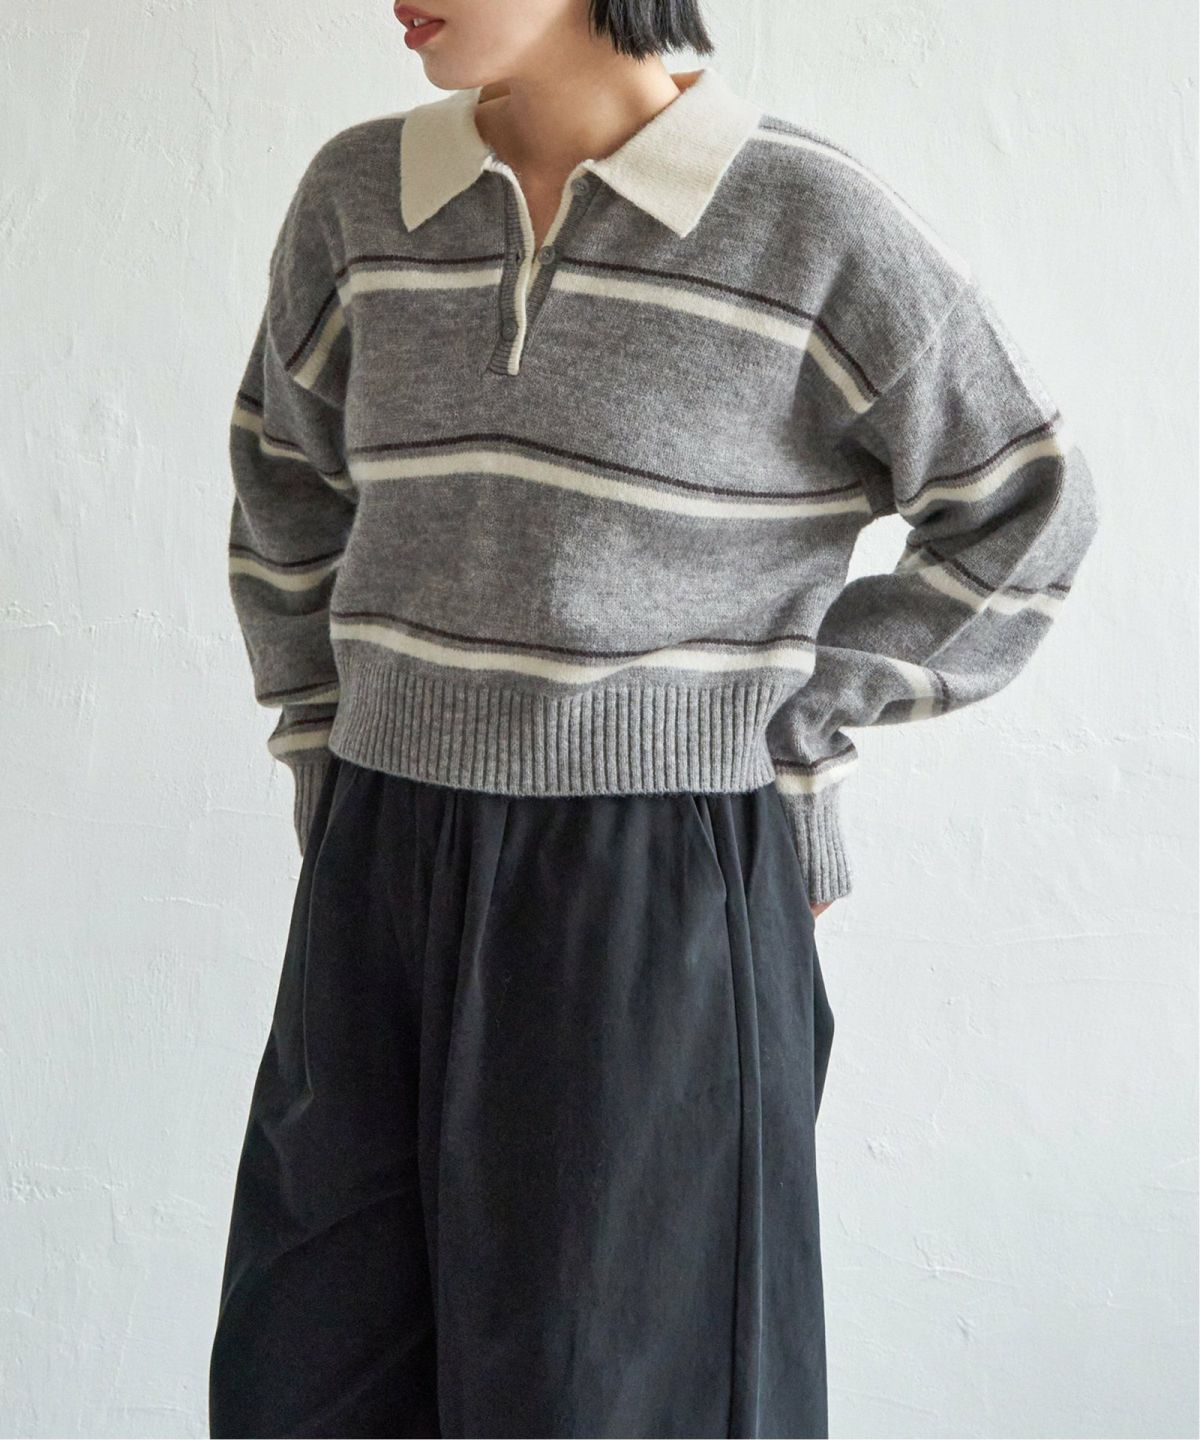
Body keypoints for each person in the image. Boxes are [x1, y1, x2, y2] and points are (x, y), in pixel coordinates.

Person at [207, 0, 1100, 1435]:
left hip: (656, 882)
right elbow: (283, 486)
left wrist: (785, 747)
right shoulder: (360, 198)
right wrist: (326, 754)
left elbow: (1025, 508)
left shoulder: (805, 218)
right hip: (379, 860)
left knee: (617, 1395)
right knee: (310, 1375)